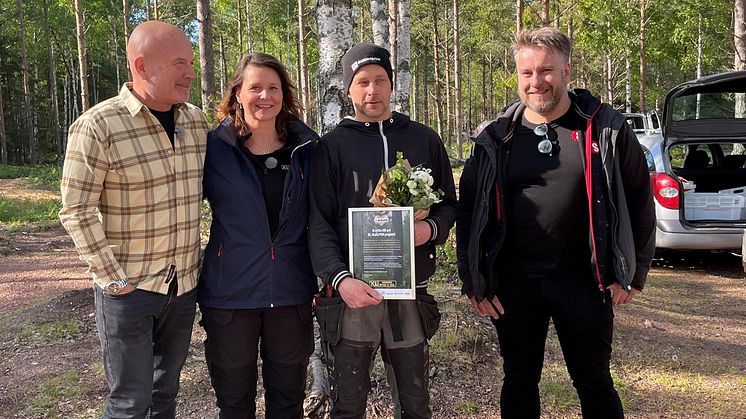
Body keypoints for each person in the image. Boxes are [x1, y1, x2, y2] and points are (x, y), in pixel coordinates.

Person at [456, 27, 656, 419]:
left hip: (585, 281)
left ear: (567, 72)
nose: (536, 82)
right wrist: (474, 280)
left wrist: (634, 271)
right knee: (518, 379)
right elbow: (470, 212)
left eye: (546, 71)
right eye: (527, 73)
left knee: (594, 381)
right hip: (515, 284)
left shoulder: (607, 130)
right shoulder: (495, 139)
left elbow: (638, 199)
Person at [59, 21, 208, 418]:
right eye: (180, 63)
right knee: (129, 401)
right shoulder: (98, 126)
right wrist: (113, 278)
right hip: (130, 291)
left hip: (183, 286)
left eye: (191, 62)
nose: (191, 72)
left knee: (166, 394)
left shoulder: (196, 122)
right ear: (142, 67)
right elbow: (76, 209)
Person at [309, 43, 457, 419]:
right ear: (348, 90)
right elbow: (318, 223)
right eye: (361, 83)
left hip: (410, 294)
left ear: (392, 84)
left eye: (379, 80)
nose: (371, 91)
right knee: (348, 404)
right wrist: (340, 279)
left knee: (415, 403)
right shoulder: (330, 147)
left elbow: (450, 205)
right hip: (351, 297)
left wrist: (431, 229)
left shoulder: (424, 139)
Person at [198, 52, 318, 418]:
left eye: (273, 88)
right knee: (234, 403)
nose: (264, 96)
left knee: (287, 401)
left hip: (290, 293)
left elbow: (327, 216)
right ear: (237, 93)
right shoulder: (213, 149)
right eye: (255, 88)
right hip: (230, 295)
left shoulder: (308, 149)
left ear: (284, 94)